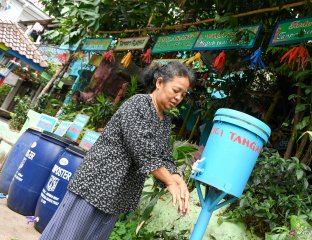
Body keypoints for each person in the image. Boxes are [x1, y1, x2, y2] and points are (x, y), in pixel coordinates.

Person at [40, 61, 196, 240]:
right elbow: (143, 151)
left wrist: (177, 179)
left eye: (183, 95)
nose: (178, 98)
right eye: (176, 91)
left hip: (116, 196)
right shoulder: (138, 104)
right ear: (159, 83)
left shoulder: (165, 121)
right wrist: (169, 182)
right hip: (95, 185)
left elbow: (164, 157)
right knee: (66, 236)